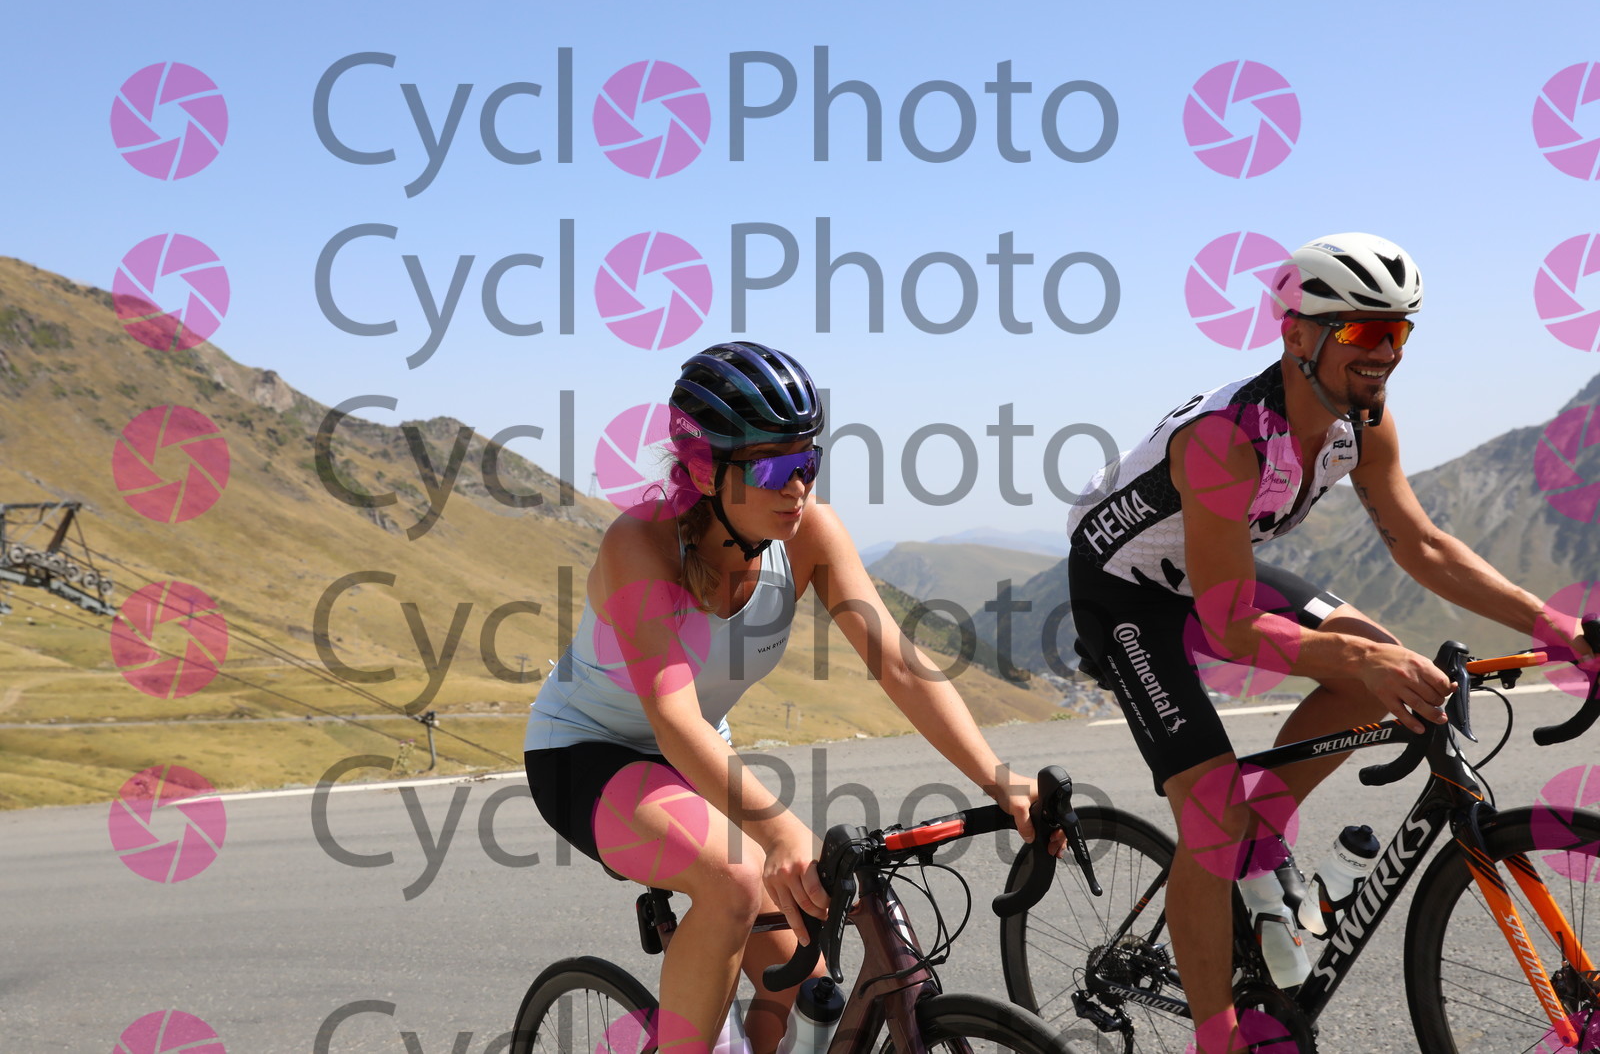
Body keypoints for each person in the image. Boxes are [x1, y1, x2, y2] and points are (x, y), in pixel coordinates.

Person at [1064, 233, 1596, 1053]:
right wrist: (1365, 661)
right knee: (1213, 815)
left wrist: (1555, 626)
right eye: (1362, 330)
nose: (1386, 352)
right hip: (1126, 592)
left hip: (1206, 573)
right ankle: (1217, 1035)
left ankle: (1263, 844)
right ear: (1296, 333)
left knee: (1373, 653)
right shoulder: (1225, 439)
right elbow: (1232, 622)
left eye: (1399, 331)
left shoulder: (1361, 421)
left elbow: (1422, 544)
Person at [525, 341, 1047, 1054]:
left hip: (698, 757)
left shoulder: (808, 535)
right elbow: (673, 717)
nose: (796, 486)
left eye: (808, 461)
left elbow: (898, 662)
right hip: (588, 753)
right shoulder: (640, 546)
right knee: (736, 878)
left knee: (810, 996)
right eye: (771, 466)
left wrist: (998, 777)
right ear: (704, 470)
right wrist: (779, 832)